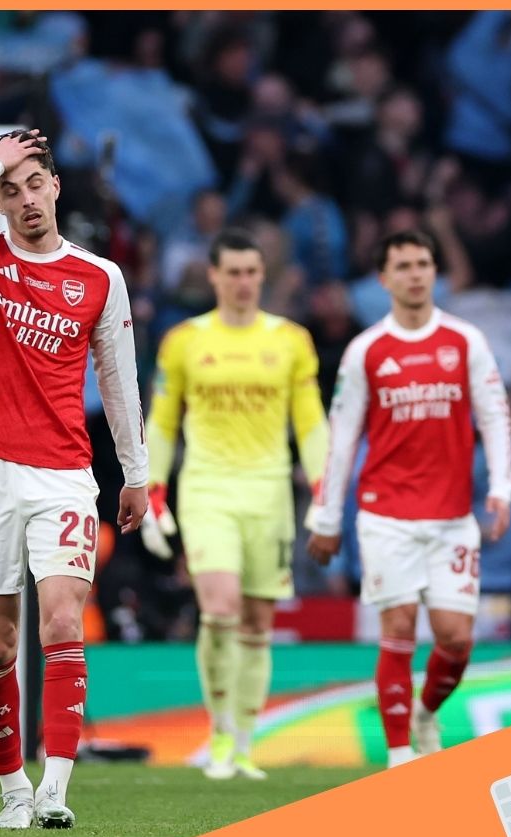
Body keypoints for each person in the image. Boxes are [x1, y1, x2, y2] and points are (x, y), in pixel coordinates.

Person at [0, 129, 148, 830]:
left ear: (55, 188)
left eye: (34, 185)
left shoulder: (100, 276)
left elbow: (117, 378)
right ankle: (12, 788)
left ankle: (55, 787)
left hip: (64, 473)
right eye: (9, 191)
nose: (25, 201)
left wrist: (134, 472)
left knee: (60, 620)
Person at [305, 230, 511, 767]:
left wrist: (501, 488)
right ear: (384, 278)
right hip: (385, 513)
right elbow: (343, 436)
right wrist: (326, 517)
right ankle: (400, 755)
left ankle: (426, 711)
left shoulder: (465, 341)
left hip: (451, 517)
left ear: (435, 272)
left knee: (456, 640)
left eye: (424, 263)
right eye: (403, 265)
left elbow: (494, 415)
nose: (416, 273)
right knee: (397, 626)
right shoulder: (366, 350)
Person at [140, 228, 330, 781]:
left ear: (261, 276)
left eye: (253, 272)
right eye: (234, 272)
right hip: (208, 489)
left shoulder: (292, 340)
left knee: (257, 622)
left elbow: (311, 422)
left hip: (269, 492)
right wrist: (155, 491)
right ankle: (219, 733)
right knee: (219, 608)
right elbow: (165, 423)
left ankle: (245, 742)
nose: (244, 282)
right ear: (215, 275)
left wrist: (323, 490)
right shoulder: (184, 341)